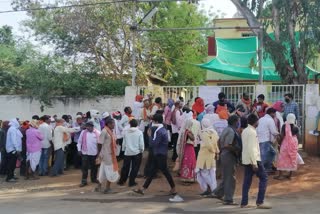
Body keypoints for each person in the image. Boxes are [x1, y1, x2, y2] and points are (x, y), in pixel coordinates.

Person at [133, 114, 177, 196]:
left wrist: (149, 136)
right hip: (160, 154)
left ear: (156, 121)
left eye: (153, 121)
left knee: (164, 172)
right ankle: (143, 189)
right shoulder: (161, 129)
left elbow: (153, 144)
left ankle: (173, 188)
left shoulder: (159, 131)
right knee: (153, 172)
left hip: (160, 154)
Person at [241, 114, 271, 209]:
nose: (258, 122)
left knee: (247, 181)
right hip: (254, 159)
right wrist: (254, 163)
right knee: (264, 178)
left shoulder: (245, 131)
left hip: (246, 159)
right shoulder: (252, 132)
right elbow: (252, 148)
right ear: (255, 122)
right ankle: (260, 202)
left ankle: (244, 202)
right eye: (258, 121)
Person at [210, 115, 241, 205]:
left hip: (224, 154)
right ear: (235, 122)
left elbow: (219, 142)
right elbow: (228, 145)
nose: (239, 123)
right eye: (238, 121)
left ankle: (217, 193)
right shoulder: (231, 131)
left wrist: (220, 152)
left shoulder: (226, 129)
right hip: (229, 155)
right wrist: (236, 149)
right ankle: (228, 199)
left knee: (226, 177)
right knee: (230, 178)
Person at [196, 118, 220, 196]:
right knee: (212, 174)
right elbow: (216, 144)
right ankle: (211, 190)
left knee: (203, 173)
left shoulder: (204, 133)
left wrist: (213, 150)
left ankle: (213, 189)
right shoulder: (214, 132)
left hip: (204, 157)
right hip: (212, 156)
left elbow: (208, 144)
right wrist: (216, 152)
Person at [95, 118, 119, 194]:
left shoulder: (110, 131)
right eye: (112, 123)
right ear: (108, 124)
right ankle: (107, 188)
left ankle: (98, 186)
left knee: (103, 171)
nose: (114, 125)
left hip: (109, 154)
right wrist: (99, 154)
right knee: (110, 171)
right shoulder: (104, 131)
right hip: (107, 155)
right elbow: (99, 143)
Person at [118, 119, 144, 187]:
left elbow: (124, 143)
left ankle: (122, 181)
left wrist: (123, 150)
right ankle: (131, 182)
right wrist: (141, 150)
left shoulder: (126, 132)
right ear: (137, 125)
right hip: (137, 152)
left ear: (130, 125)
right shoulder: (139, 132)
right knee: (135, 168)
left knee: (125, 167)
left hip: (128, 152)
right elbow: (141, 143)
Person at [274, 113, 301, 180]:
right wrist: (295, 143)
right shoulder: (296, 127)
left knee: (282, 158)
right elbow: (298, 136)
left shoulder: (284, 126)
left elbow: (282, 136)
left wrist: (279, 143)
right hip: (294, 143)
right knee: (292, 158)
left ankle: (280, 175)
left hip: (286, 143)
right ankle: (290, 175)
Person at [256, 108, 279, 174]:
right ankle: (262, 170)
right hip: (265, 140)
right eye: (274, 113)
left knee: (272, 153)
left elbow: (257, 128)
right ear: (272, 113)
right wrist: (279, 134)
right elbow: (273, 131)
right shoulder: (270, 120)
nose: (275, 115)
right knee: (264, 156)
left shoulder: (261, 119)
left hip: (260, 139)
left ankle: (268, 168)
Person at [77, 121, 100, 187]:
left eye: (89, 126)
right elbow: (79, 142)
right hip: (85, 153)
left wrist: (99, 153)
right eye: (87, 126)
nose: (88, 128)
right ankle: (84, 181)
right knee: (84, 168)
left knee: (94, 167)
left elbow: (100, 144)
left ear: (92, 126)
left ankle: (94, 179)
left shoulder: (97, 133)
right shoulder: (83, 132)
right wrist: (79, 150)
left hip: (94, 153)